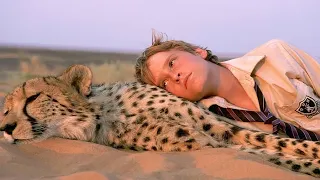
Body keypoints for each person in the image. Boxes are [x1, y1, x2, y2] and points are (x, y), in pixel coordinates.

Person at [135, 32, 320, 141]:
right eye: (164, 83)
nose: (174, 76)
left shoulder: (277, 54)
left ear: (198, 52)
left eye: (172, 63)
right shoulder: (208, 124)